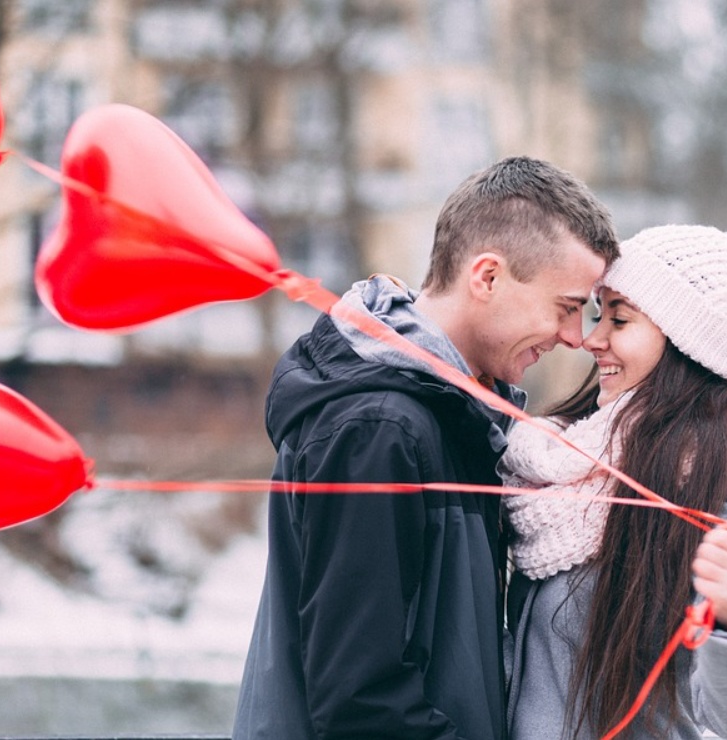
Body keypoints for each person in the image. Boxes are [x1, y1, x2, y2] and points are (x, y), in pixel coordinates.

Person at [232, 156, 619, 740]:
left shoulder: (455, 419)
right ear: (487, 277)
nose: (575, 337)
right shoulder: (380, 428)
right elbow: (360, 702)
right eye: (566, 307)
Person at [502, 224, 727, 739]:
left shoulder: (716, 497)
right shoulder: (557, 469)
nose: (593, 339)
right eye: (597, 313)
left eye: (620, 320)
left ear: (687, 344)